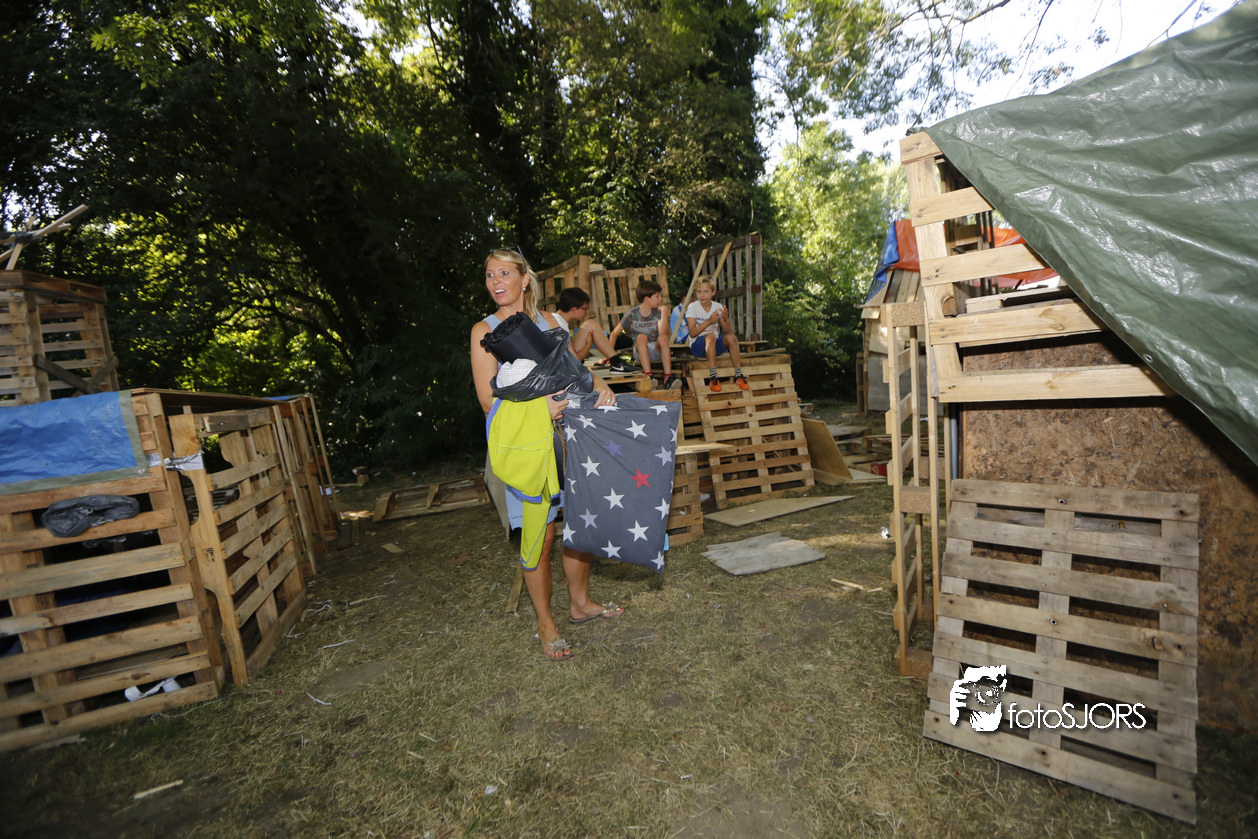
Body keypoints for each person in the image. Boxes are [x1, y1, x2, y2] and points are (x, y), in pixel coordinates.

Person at [471, 248, 625, 660]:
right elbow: (488, 400)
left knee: (578, 523)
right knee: (542, 536)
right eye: (489, 275)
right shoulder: (485, 330)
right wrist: (540, 407)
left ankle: (581, 604)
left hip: (570, 440)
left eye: (504, 273)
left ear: (525, 279)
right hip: (524, 446)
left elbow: (574, 372)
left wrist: (599, 384)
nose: (496, 281)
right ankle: (545, 623)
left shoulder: (553, 323)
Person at [608, 279, 679, 389]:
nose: (660, 299)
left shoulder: (658, 312)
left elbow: (662, 333)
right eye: (657, 296)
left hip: (656, 350)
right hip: (640, 350)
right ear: (647, 299)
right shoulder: (632, 314)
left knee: (663, 338)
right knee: (641, 337)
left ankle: (668, 379)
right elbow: (614, 334)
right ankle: (648, 376)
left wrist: (664, 312)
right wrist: (609, 357)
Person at [684, 276, 749, 392]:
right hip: (697, 346)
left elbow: (728, 333)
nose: (702, 295)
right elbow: (692, 333)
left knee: (732, 338)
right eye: (699, 292)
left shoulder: (718, 307)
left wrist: (726, 319)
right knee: (711, 336)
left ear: (713, 292)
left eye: (706, 291)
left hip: (713, 346)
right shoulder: (692, 307)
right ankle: (713, 377)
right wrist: (708, 321)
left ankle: (738, 375)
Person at [555, 287, 638, 372]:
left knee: (590, 324)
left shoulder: (557, 320)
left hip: (563, 364)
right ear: (574, 309)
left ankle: (616, 362)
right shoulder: (559, 326)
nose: (586, 312)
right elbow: (574, 361)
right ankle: (617, 363)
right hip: (562, 370)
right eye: (584, 309)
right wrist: (588, 345)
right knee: (591, 324)